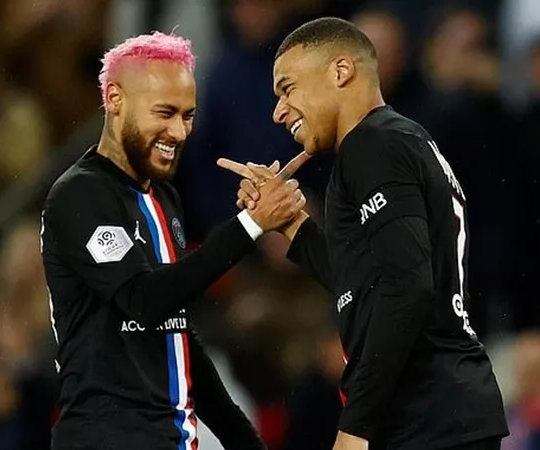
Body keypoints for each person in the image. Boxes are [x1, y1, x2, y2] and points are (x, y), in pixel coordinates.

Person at [218, 17, 509, 450]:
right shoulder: (396, 140)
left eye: (287, 88)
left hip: (427, 416)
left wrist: (357, 424)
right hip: (442, 410)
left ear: (341, 71)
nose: (278, 111)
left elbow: (406, 287)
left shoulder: (371, 146)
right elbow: (365, 282)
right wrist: (292, 224)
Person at [40, 31, 307, 450]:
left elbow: (176, 335)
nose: (179, 132)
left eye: (188, 115)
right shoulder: (80, 195)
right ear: (115, 99)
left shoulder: (165, 198)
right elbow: (142, 301)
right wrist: (251, 225)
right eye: (164, 112)